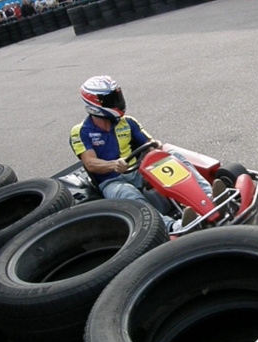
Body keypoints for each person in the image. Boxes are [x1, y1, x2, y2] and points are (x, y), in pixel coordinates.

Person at [69, 76, 219, 232]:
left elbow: (151, 144)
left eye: (117, 96)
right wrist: (114, 165)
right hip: (111, 180)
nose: (118, 101)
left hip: (137, 171)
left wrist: (154, 147)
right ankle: (171, 226)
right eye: (112, 99)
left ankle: (208, 198)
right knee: (126, 192)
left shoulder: (128, 122)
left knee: (173, 155)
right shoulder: (81, 131)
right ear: (94, 104)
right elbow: (90, 163)